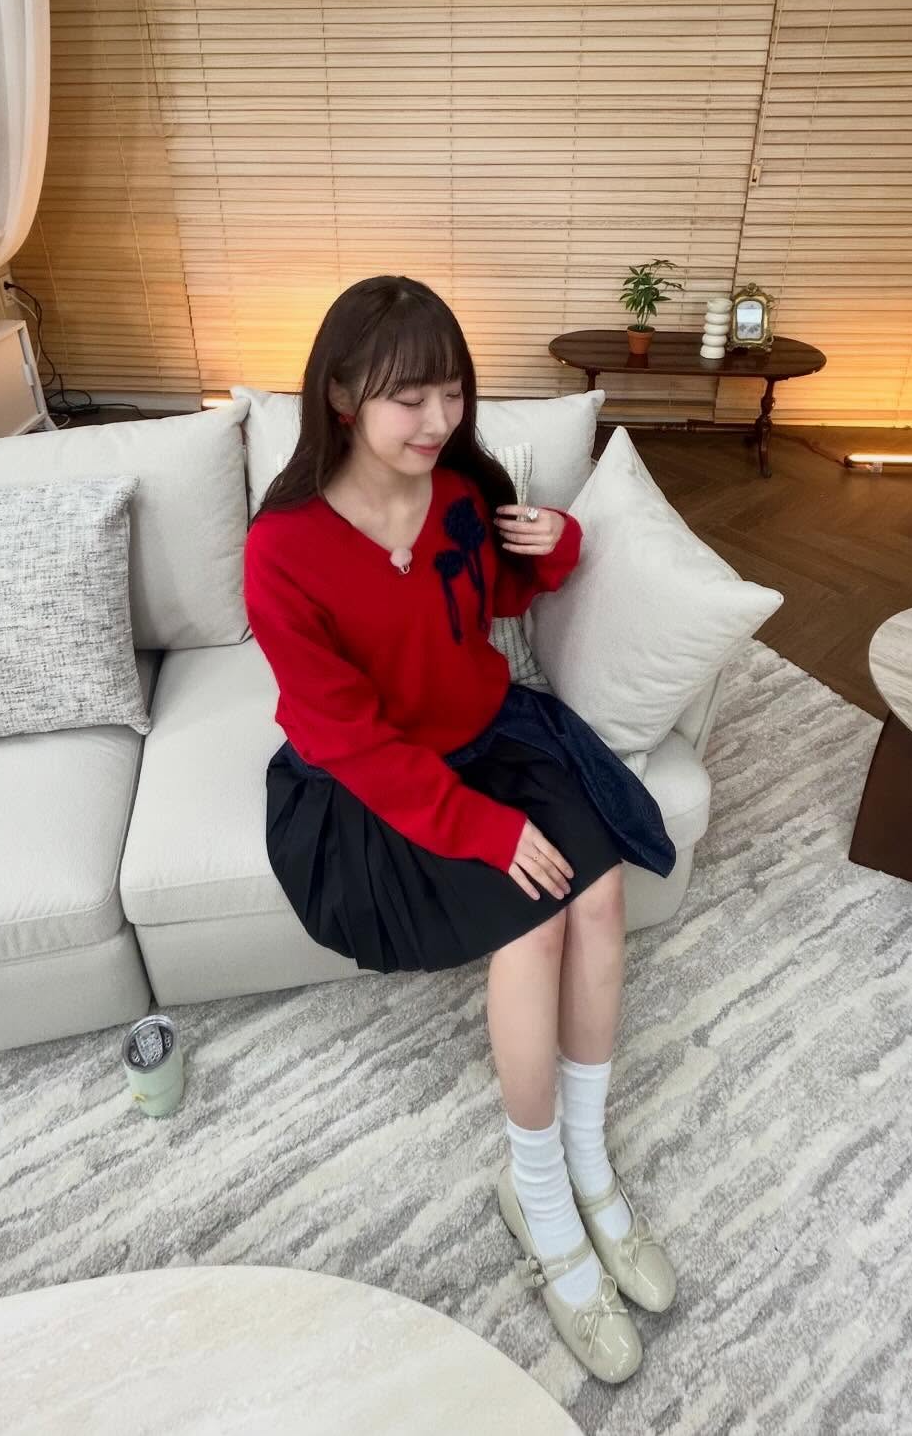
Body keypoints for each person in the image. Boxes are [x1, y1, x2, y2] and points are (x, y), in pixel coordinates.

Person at [243, 275, 679, 1384]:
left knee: (601, 891)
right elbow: (348, 738)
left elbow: (498, 600)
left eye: (452, 393)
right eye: (410, 399)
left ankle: (586, 1155)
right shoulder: (282, 548)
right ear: (342, 395)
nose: (438, 421)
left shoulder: (460, 493)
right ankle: (538, 1195)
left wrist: (556, 543)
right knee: (533, 920)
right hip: (374, 785)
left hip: (490, 734)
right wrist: (479, 830)